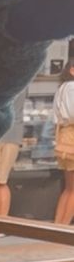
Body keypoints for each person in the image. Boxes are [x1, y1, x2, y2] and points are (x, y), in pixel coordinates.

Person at [52, 60, 74, 226]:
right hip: (72, 136)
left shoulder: (62, 88)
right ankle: (63, 227)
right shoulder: (72, 87)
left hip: (64, 137)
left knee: (69, 187)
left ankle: (58, 224)